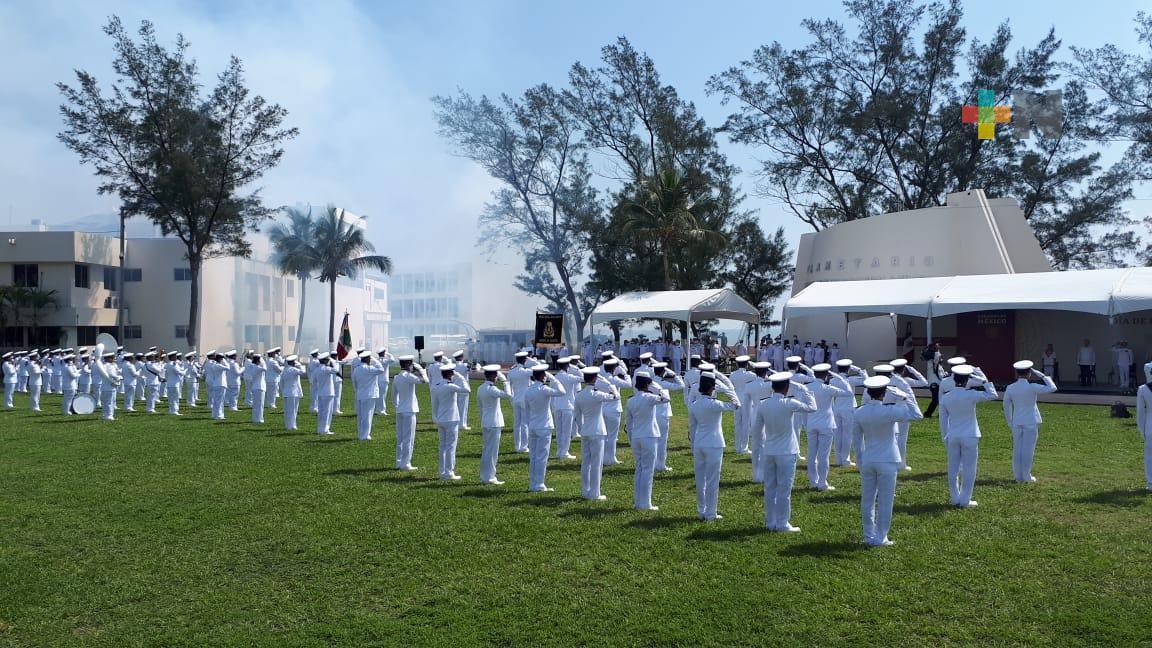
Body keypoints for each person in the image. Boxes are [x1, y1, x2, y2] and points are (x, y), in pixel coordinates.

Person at [853, 375, 923, 547]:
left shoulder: (859, 412)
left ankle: (868, 535)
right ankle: (880, 537)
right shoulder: (889, 411)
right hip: (888, 459)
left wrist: (860, 461)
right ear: (884, 394)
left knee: (867, 500)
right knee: (885, 500)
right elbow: (917, 415)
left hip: (868, 459)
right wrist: (904, 397)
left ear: (868, 393)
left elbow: (856, 441)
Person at [753, 371, 816, 532]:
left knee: (770, 488)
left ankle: (770, 521)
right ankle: (782, 523)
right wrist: (803, 388)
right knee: (784, 489)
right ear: (787, 387)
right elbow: (812, 407)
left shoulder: (763, 404)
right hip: (787, 451)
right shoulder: (789, 403)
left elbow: (757, 430)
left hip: (769, 450)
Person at [940, 364, 998, 508]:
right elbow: (993, 395)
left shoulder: (946, 397)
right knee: (969, 468)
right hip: (970, 435)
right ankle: (965, 500)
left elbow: (943, 420)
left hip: (953, 435)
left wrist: (945, 435)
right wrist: (984, 381)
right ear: (967, 380)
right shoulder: (971, 394)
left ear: (954, 380)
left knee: (952, 468)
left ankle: (955, 498)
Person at [689, 371, 740, 521]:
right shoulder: (715, 404)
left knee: (700, 479)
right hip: (714, 444)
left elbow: (692, 426)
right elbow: (737, 404)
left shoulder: (694, 405)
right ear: (712, 387)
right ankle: (711, 513)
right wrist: (726, 389)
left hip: (699, 443)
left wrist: (693, 444)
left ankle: (701, 510)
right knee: (712, 480)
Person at [1002, 360, 1058, 483]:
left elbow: (1006, 406)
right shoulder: (1032, 386)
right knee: (1028, 449)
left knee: (1017, 449)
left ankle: (1018, 476)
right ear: (1029, 374)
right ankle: (1026, 476)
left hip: (1017, 421)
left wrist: (1010, 421)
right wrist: (1042, 375)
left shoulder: (1010, 387)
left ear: (1017, 373)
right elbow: (1052, 388)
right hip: (1031, 421)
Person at [627, 371, 670, 511]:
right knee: (647, 471)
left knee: (639, 469)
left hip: (636, 437)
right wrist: (656, 387)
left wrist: (631, 438)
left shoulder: (630, 400)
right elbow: (666, 398)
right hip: (649, 436)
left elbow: (628, 423)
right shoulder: (650, 398)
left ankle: (638, 501)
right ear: (647, 384)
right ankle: (645, 503)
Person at [806, 363, 851, 491]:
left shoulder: (808, 387)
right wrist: (841, 378)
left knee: (811, 454)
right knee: (823, 456)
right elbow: (848, 393)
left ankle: (813, 481)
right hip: (825, 424)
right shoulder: (828, 388)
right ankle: (822, 483)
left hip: (811, 423)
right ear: (826, 375)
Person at [575, 367, 618, 500]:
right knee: (596, 463)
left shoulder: (579, 395)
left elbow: (577, 415)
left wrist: (582, 428)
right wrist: (608, 383)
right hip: (598, 431)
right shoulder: (597, 394)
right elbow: (616, 396)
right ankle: (594, 493)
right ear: (595, 378)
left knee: (586, 462)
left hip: (586, 430)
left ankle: (585, 490)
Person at [524, 363, 567, 492]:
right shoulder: (544, 389)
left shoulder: (528, 390)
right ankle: (539, 484)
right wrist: (553, 379)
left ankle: (533, 483)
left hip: (533, 425)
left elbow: (527, 411)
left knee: (534, 456)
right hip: (544, 426)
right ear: (543, 376)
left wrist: (530, 423)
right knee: (542, 456)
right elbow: (562, 392)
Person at [432, 364, 471, 479]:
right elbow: (467, 390)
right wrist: (460, 377)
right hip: (452, 419)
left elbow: (434, 404)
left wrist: (435, 417)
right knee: (451, 447)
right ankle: (449, 472)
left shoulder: (436, 386)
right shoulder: (450, 386)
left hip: (441, 418)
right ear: (450, 374)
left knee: (442, 446)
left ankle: (442, 471)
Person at [477, 364, 512, 485]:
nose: (497, 377)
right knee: (492, 452)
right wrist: (505, 381)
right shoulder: (492, 389)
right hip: (494, 423)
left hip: (486, 421)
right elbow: (508, 395)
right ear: (493, 376)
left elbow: (480, 407)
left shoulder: (481, 388)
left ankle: (485, 476)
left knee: (487, 450)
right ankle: (490, 477)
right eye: (496, 375)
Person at [392, 356, 426, 470]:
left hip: (400, 410)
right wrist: (421, 370)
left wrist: (398, 406)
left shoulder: (397, 377)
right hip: (409, 410)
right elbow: (424, 381)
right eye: (411, 364)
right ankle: (406, 463)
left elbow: (394, 396)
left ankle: (399, 461)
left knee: (401, 437)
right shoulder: (409, 376)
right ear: (407, 364)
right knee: (408, 438)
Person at [832, 359, 866, 467]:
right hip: (848, 409)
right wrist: (859, 370)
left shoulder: (833, 380)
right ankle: (845, 460)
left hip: (837, 408)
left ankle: (838, 459)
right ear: (848, 369)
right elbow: (867, 380)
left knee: (838, 435)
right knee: (847, 435)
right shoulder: (851, 379)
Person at [652, 362, 685, 471]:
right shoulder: (663, 383)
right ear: (663, 372)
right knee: (662, 441)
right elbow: (681, 385)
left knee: (653, 440)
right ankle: (660, 465)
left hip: (652, 413)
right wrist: (675, 375)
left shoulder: (651, 381)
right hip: (662, 414)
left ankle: (652, 463)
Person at [599, 357, 632, 466]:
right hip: (613, 409)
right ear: (614, 369)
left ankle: (602, 457)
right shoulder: (613, 379)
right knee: (612, 436)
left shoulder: (600, 376)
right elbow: (628, 384)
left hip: (602, 407)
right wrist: (626, 374)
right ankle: (610, 458)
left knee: (604, 435)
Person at [551, 356, 582, 460]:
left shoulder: (555, 377)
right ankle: (564, 452)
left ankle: (560, 451)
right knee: (567, 431)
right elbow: (583, 377)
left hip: (557, 406)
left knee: (559, 430)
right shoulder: (569, 377)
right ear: (567, 366)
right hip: (567, 406)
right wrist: (576, 368)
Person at [352, 351, 386, 441]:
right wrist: (375, 360)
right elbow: (381, 369)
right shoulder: (369, 368)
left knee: (361, 416)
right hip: (369, 395)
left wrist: (358, 391)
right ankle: (365, 435)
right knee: (367, 416)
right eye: (369, 358)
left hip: (360, 394)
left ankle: (361, 434)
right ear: (367, 359)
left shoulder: (356, 369)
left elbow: (354, 382)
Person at [507, 351, 533, 453]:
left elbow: (509, 386)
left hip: (515, 399)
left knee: (516, 424)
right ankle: (524, 446)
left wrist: (511, 398)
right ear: (524, 360)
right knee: (524, 423)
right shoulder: (526, 371)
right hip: (525, 399)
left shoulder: (511, 372)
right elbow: (539, 367)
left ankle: (517, 446)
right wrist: (530, 359)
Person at [312, 353, 339, 435]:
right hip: (328, 393)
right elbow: (336, 370)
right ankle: (324, 429)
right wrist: (333, 362)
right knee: (327, 412)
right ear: (325, 361)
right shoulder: (326, 369)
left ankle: (320, 428)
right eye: (327, 359)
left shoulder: (316, 370)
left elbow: (314, 382)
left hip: (320, 393)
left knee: (321, 412)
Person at [280, 355, 305, 431]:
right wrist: (300, 365)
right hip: (293, 392)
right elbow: (303, 372)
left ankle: (288, 425)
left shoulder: (284, 370)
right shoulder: (294, 370)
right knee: (293, 410)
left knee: (288, 410)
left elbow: (281, 383)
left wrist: (283, 391)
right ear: (293, 362)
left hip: (286, 392)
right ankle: (292, 425)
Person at [1136, 377, 1152, 492]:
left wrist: (1142, 430)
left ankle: (1151, 483)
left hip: (1150, 425)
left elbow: (1140, 414)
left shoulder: (1143, 389)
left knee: (1149, 455)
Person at [97, 351, 121, 421]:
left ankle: (106, 415)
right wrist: (118, 377)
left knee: (109, 402)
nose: (114, 359)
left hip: (107, 386)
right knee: (109, 402)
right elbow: (111, 374)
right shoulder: (109, 366)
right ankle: (109, 416)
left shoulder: (106, 365)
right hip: (109, 386)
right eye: (112, 357)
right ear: (108, 358)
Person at [374, 347, 397, 415]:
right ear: (383, 353)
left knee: (378, 395)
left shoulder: (377, 360)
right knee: (382, 396)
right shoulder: (384, 360)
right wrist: (388, 354)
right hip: (383, 380)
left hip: (377, 380)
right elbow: (392, 359)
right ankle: (381, 410)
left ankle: (376, 409)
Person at [204, 353, 227, 420]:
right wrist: (224, 361)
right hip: (221, 384)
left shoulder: (214, 365)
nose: (223, 359)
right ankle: (219, 415)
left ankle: (215, 414)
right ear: (220, 359)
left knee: (217, 400)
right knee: (220, 401)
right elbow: (228, 368)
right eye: (222, 358)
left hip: (216, 383)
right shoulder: (218, 365)